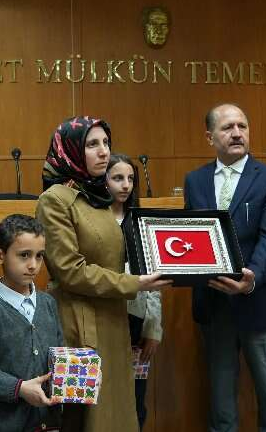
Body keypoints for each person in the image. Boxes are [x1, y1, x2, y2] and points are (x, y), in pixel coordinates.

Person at [35, 116, 171, 432]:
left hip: (113, 320)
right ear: (70, 150)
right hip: (78, 326)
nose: (104, 151)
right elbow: (70, 271)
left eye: (106, 143)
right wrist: (134, 283)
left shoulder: (99, 197)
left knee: (117, 414)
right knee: (80, 418)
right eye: (92, 144)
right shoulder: (55, 199)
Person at [183, 103, 266, 432]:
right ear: (210, 137)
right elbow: (190, 235)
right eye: (228, 127)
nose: (236, 133)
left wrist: (251, 278)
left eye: (242, 126)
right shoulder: (195, 180)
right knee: (221, 401)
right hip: (214, 303)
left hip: (258, 301)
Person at [0, 214, 63, 432]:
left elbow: (60, 358)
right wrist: (19, 388)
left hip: (49, 422)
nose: (33, 265)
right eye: (24, 255)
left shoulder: (48, 304)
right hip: (7, 423)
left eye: (39, 256)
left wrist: (82, 375)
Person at [106, 154, 163, 430]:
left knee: (135, 401)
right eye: (118, 178)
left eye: (131, 179)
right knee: (104, 399)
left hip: (136, 320)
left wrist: (153, 328)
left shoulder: (140, 221)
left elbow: (155, 282)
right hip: (103, 318)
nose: (126, 185)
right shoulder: (93, 220)